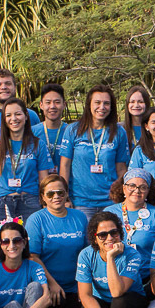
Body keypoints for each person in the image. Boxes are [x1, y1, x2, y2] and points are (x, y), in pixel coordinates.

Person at [76, 212, 148, 308]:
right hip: (101, 300)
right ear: (94, 238)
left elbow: (117, 291)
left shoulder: (132, 254)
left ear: (120, 233)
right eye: (102, 235)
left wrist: (110, 258)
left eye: (113, 232)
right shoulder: (86, 255)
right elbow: (85, 294)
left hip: (130, 301)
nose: (109, 238)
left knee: (119, 302)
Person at [25, 175, 91, 308]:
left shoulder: (80, 217)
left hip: (75, 286)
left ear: (67, 193)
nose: (56, 197)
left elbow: (88, 253)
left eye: (60, 192)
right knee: (56, 302)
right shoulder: (36, 220)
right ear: (43, 197)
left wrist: (85, 286)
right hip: (48, 287)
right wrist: (51, 284)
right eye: (50, 194)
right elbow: (33, 257)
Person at [0, 97, 53, 231]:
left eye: (18, 114)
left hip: (31, 202)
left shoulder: (38, 144)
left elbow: (44, 180)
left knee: (30, 246)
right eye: (8, 115)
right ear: (4, 119)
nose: (13, 119)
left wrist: (45, 207)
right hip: (3, 203)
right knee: (4, 247)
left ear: (26, 116)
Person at [60, 84, 129, 218]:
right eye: (97, 102)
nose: (102, 107)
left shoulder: (119, 132)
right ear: (89, 104)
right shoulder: (73, 130)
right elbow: (65, 165)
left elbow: (121, 168)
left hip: (110, 201)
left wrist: (123, 195)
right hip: (81, 201)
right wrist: (64, 195)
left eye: (106, 103)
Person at [104, 169, 155, 287]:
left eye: (143, 187)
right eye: (132, 186)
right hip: (114, 276)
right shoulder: (109, 212)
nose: (137, 190)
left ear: (148, 191)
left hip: (147, 278)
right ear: (124, 188)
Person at [37, 82, 71, 169]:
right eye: (48, 102)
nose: (52, 106)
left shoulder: (71, 132)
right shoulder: (32, 132)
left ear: (64, 105)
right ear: (41, 105)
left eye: (57, 102)